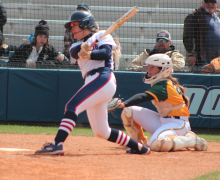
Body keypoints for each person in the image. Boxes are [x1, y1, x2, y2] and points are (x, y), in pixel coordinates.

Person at [35, 11, 150, 155]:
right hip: (91, 81)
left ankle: (57, 144)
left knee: (72, 106)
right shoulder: (75, 45)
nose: (72, 29)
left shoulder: (102, 35)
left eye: (75, 25)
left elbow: (106, 53)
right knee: (102, 131)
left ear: (85, 24)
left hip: (103, 77)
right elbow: (75, 53)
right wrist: (83, 48)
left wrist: (90, 54)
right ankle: (140, 148)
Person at [119, 54, 208, 152]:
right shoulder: (162, 83)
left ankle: (192, 140)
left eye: (152, 67)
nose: (149, 70)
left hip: (177, 124)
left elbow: (142, 96)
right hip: (164, 121)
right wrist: (125, 105)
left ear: (163, 69)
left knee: (157, 144)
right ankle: (138, 143)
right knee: (128, 111)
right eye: (149, 67)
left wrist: (123, 103)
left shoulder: (164, 85)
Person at [183, 0, 220, 72]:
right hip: (202, 59)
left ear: (216, 3)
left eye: (212, 2)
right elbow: (188, 37)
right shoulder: (194, 16)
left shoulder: (218, 15)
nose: (210, 4)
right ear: (202, 2)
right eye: (207, 1)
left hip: (217, 59)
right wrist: (191, 54)